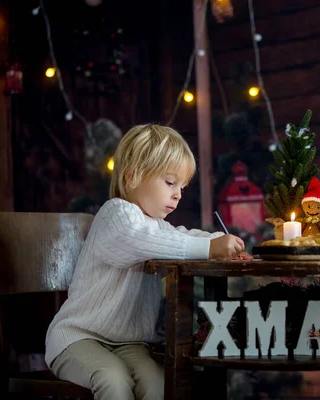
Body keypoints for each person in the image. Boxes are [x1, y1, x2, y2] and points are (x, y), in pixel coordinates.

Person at [45, 124, 252, 400]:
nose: (178, 194)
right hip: (78, 336)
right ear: (132, 177)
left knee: (157, 384)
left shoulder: (154, 226)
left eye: (182, 186)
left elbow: (181, 236)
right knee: (113, 380)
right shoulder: (115, 214)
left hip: (128, 342)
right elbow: (140, 241)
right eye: (170, 183)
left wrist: (218, 240)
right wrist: (209, 247)